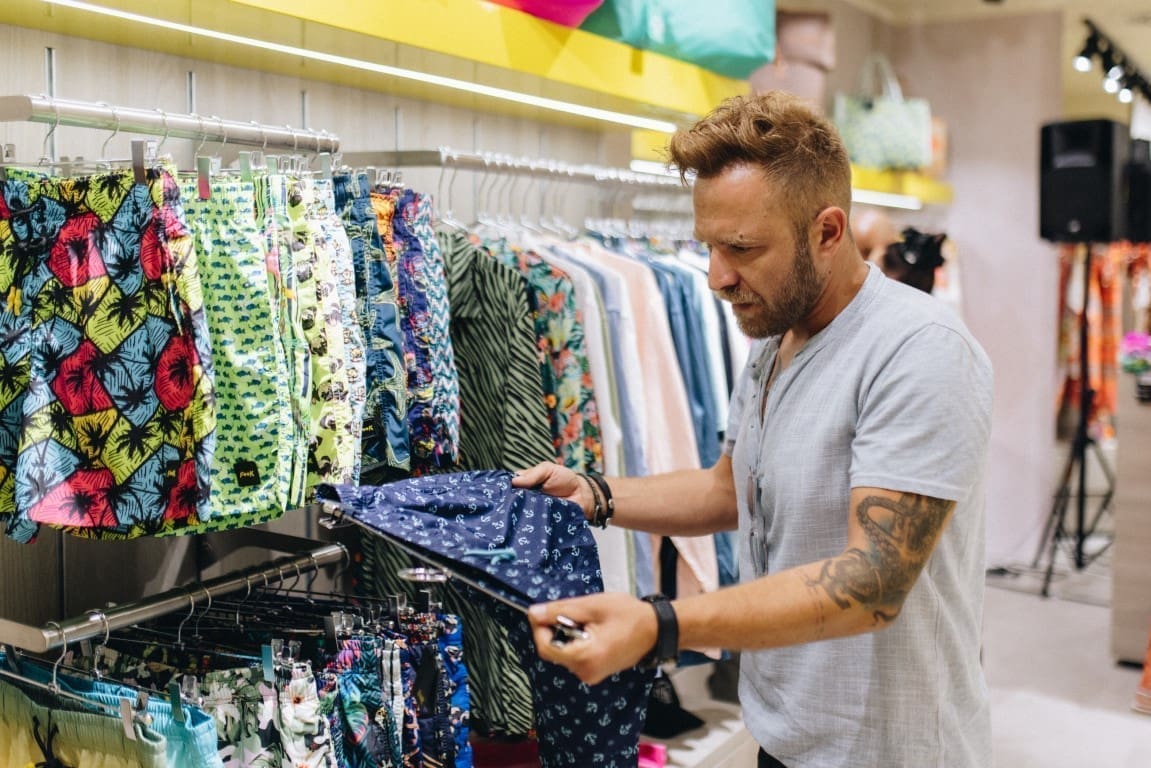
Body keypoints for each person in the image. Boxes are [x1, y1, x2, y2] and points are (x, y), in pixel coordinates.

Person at [513, 90, 994, 768]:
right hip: (785, 733)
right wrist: (594, 494)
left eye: (741, 247)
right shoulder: (776, 336)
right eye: (708, 246)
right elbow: (728, 489)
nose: (717, 276)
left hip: (891, 751)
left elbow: (874, 580)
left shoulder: (919, 350)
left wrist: (659, 625)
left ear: (828, 232)